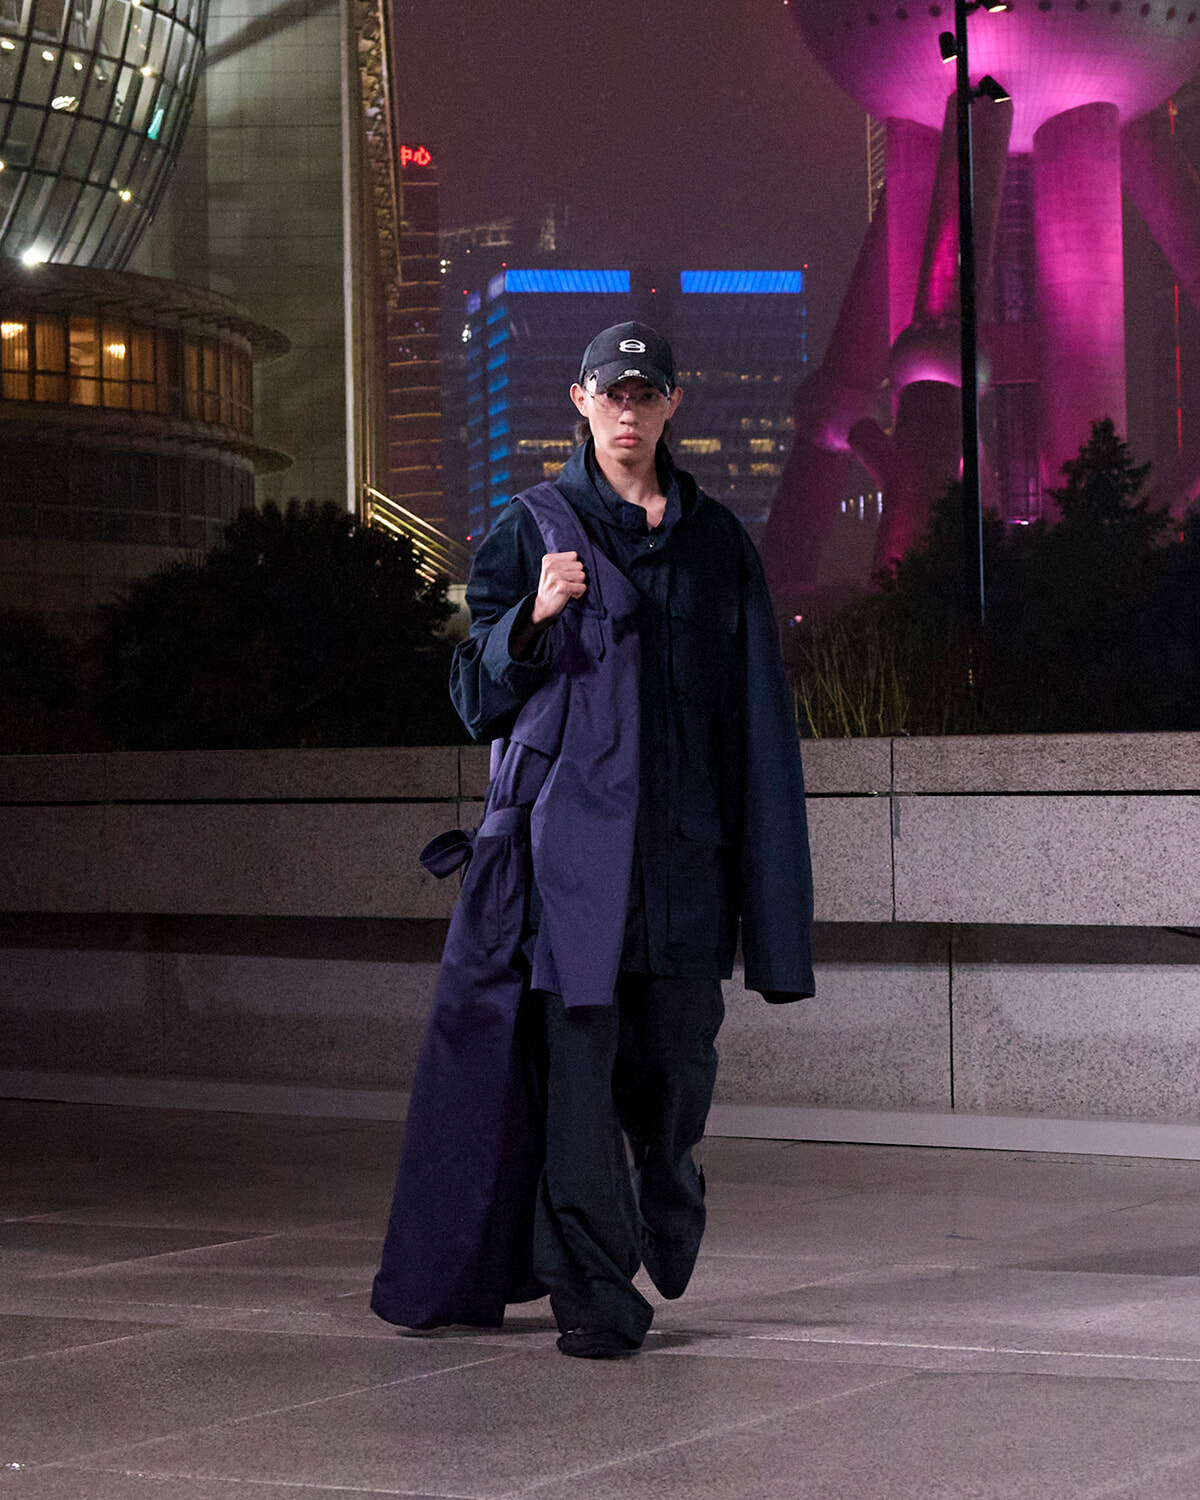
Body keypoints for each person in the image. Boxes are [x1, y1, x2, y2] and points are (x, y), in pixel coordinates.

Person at [371, 321, 813, 1359]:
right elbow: (472, 698)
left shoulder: (717, 544)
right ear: (577, 401)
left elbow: (758, 726)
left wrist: (774, 905)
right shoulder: (532, 529)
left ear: (672, 405)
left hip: (687, 877)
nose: (627, 411)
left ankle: (670, 1182)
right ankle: (595, 1298)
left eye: (645, 394)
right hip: (572, 881)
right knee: (578, 1100)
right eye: (610, 394)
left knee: (672, 1082)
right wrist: (529, 617)